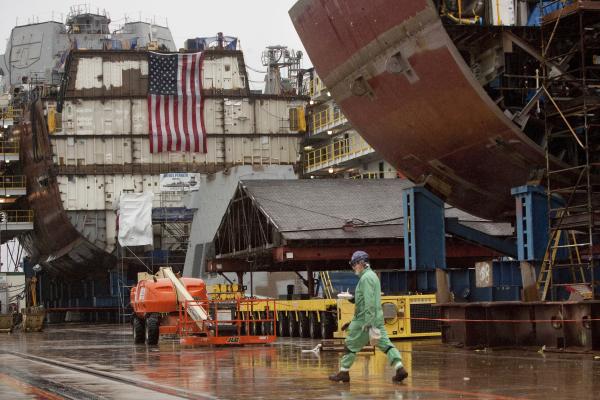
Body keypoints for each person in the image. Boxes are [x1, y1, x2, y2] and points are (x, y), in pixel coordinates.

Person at [329, 250, 408, 383]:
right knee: (385, 344)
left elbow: (369, 301)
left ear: (361, 263)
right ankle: (400, 368)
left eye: (354, 264)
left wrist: (368, 322)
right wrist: (353, 298)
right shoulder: (372, 276)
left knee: (350, 345)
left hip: (363, 321)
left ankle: (344, 372)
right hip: (376, 319)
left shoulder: (366, 278)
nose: (353, 268)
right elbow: (367, 298)